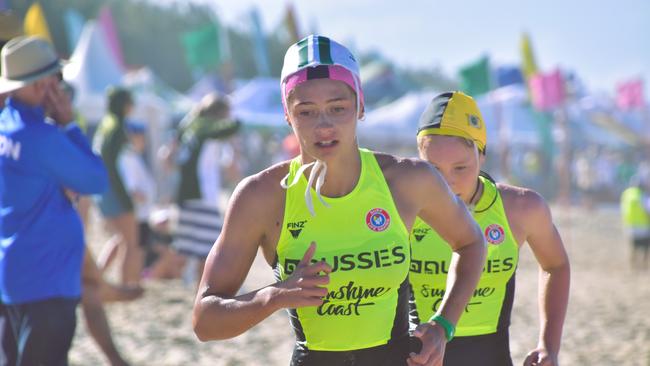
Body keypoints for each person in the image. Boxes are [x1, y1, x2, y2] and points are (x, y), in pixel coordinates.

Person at [193, 35, 486, 366]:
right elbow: (205, 320)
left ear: (360, 105)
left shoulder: (406, 181)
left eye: (338, 108)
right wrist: (274, 296)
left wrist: (443, 325)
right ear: (287, 114)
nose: (324, 125)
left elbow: (472, 243)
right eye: (306, 111)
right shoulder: (262, 196)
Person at [408, 91, 570, 366]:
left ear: (481, 155)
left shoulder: (520, 209)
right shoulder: (402, 208)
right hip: (419, 356)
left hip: (491, 356)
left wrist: (549, 345)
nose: (448, 184)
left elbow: (556, 265)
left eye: (460, 168)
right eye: (433, 169)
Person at [0, 36, 108, 366]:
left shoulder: (6, 127)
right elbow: (96, 179)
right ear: (40, 84)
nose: (59, 86)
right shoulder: (40, 137)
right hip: (47, 282)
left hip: (13, 276)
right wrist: (71, 125)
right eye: (55, 79)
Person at [172, 92, 240, 285]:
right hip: (202, 194)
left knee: (185, 247)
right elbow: (234, 126)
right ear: (219, 113)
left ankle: (183, 285)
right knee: (208, 250)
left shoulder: (191, 126)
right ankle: (201, 291)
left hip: (185, 193)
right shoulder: (208, 128)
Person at [93, 87, 144, 287]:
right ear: (124, 105)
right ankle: (126, 285)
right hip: (115, 190)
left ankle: (96, 278)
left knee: (119, 239)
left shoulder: (105, 124)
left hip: (102, 190)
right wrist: (127, 195)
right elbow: (117, 167)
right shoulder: (117, 128)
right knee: (130, 242)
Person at [620, 169, 650, 270]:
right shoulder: (643, 195)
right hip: (644, 228)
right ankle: (644, 265)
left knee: (633, 247)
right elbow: (647, 209)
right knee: (645, 248)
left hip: (630, 226)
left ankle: (632, 266)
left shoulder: (626, 194)